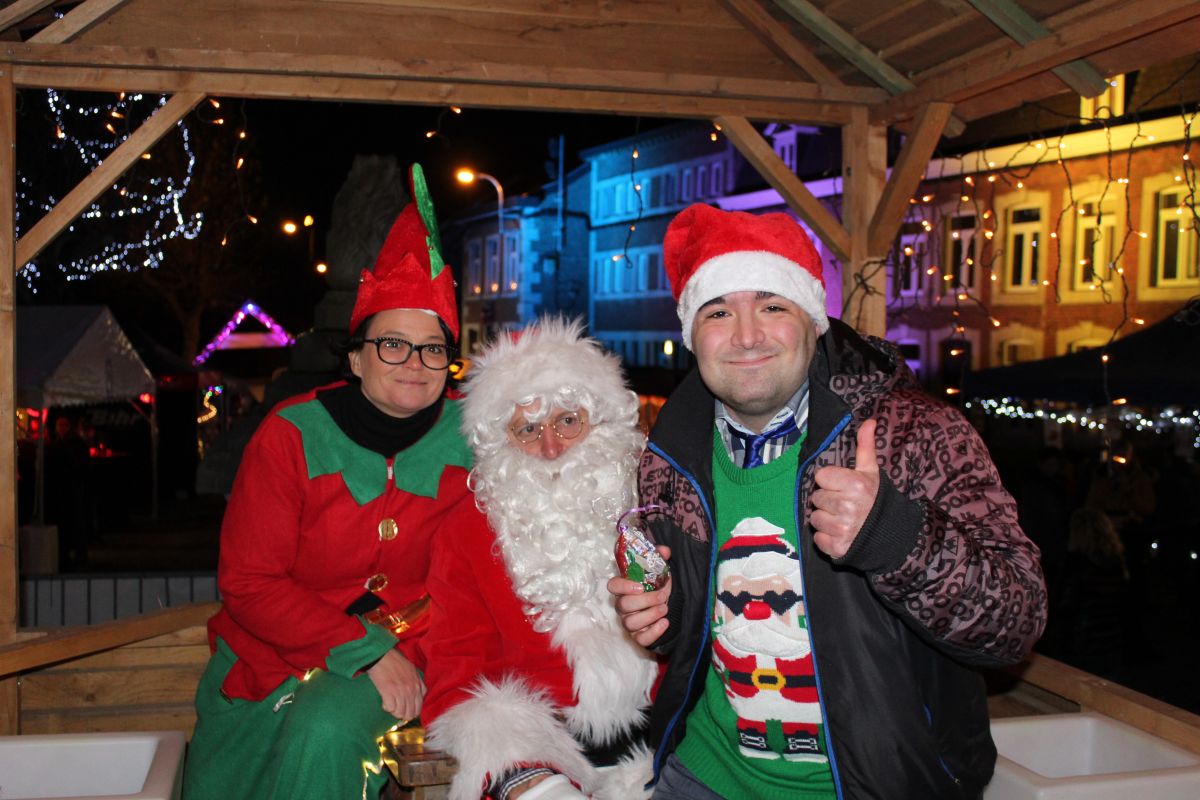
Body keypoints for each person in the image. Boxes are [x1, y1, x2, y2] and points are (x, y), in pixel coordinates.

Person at [608, 204, 1047, 799]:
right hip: (704, 775)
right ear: (691, 336)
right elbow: (698, 633)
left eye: (772, 306)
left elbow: (1014, 622)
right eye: (718, 312)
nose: (746, 336)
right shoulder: (668, 451)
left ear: (814, 323)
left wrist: (894, 536)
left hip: (877, 786)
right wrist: (665, 615)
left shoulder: (914, 435)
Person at [184, 164, 472, 800]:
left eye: (433, 348)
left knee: (327, 729)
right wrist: (362, 649)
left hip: (419, 655)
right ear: (356, 356)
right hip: (273, 659)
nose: (415, 363)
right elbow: (249, 583)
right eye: (393, 344)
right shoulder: (291, 434)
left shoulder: (477, 435)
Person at [421, 317, 657, 800]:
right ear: (499, 439)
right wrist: (526, 775)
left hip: (662, 740)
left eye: (568, 421)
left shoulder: (657, 501)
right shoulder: (465, 529)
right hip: (534, 750)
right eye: (527, 429)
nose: (551, 448)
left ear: (602, 419)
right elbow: (458, 677)